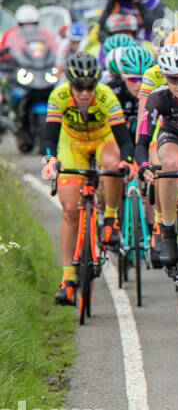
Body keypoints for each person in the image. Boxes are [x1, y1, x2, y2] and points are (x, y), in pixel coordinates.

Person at [42, 51, 135, 303]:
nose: (85, 93)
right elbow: (50, 138)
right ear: (70, 85)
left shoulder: (106, 96)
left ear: (97, 84)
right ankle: (68, 278)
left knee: (113, 164)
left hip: (103, 140)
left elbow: (124, 140)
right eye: (79, 88)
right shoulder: (58, 95)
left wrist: (127, 161)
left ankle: (111, 220)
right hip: (72, 145)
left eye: (90, 87)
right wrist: (51, 159)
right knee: (70, 209)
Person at [136, 41, 178, 268]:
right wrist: (144, 164)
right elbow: (143, 139)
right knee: (171, 164)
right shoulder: (158, 98)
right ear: (165, 78)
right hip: (173, 137)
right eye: (174, 79)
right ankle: (167, 230)